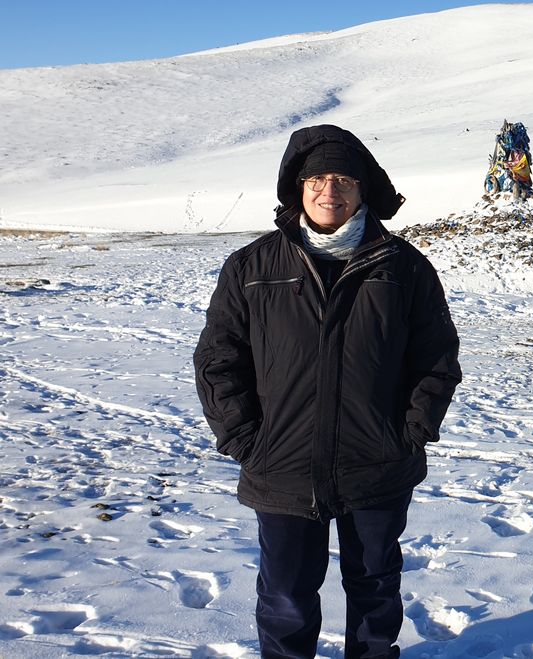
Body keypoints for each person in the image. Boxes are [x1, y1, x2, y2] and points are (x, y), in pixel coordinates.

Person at [193, 124, 462, 658]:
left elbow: (436, 357)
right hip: (281, 465)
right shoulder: (252, 266)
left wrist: (411, 430)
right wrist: (244, 438)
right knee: (286, 596)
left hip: (378, 463)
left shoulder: (403, 266)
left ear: (363, 189)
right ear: (298, 187)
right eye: (316, 179)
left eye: (343, 179)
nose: (329, 190)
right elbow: (219, 359)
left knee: (375, 587)